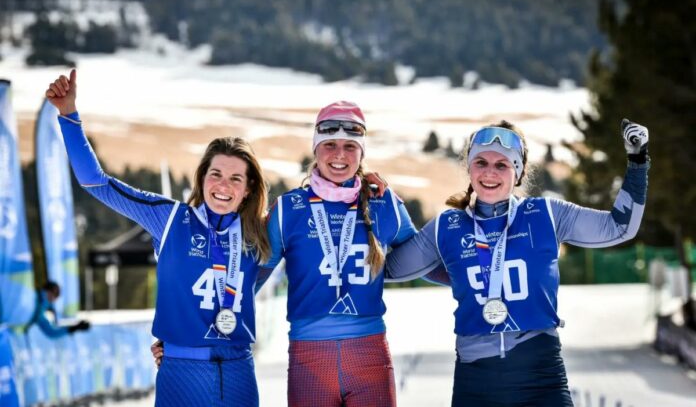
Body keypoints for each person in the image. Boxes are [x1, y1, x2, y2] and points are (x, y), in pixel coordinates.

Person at [45, 70, 278, 407]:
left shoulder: (260, 233)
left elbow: (251, 287)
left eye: (235, 179)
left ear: (248, 188)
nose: (223, 186)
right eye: (215, 174)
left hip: (238, 373)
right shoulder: (169, 219)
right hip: (181, 373)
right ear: (202, 178)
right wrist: (68, 115)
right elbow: (96, 182)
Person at [385, 119, 650, 406]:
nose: (489, 172)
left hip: (541, 377)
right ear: (469, 168)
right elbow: (392, 268)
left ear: (519, 172)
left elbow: (618, 227)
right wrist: (389, 207)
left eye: (502, 165)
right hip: (475, 383)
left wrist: (637, 162)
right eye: (481, 162)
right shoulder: (447, 226)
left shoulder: (545, 214)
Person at [266, 101, 417, 407]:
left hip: (369, 355)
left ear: (362, 153)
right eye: (330, 145)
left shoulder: (384, 202)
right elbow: (251, 276)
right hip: (309, 357)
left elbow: (421, 259)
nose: (339, 155)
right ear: (315, 148)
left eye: (350, 146)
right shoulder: (288, 209)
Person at [25, 281, 90, 338]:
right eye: (54, 295)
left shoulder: (41, 307)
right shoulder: (40, 305)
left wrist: (73, 328)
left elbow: (52, 332)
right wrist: (72, 328)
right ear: (48, 291)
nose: (52, 300)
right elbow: (51, 332)